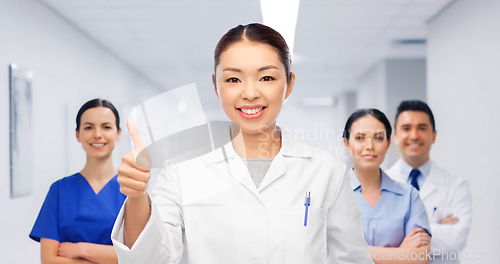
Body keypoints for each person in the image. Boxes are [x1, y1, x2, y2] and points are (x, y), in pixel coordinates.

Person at [111, 23, 373, 263]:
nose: (249, 93)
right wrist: (137, 197)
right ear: (216, 86)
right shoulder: (180, 170)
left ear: (289, 84)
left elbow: (352, 260)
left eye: (267, 78)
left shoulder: (326, 171)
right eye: (233, 79)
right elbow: (148, 260)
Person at [30, 99, 125, 264]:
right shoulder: (59, 190)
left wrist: (80, 249)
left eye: (106, 127)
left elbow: (138, 257)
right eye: (88, 127)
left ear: (118, 133)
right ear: (77, 135)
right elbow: (48, 260)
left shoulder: (131, 191)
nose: (97, 134)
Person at [386, 100, 472, 263]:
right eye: (406, 128)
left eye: (422, 128)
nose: (414, 135)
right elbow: (373, 239)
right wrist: (437, 228)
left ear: (434, 135)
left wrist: (397, 230)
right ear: (395, 136)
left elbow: (458, 238)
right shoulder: (379, 183)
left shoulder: (456, 185)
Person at [343, 108, 431, 264]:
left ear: (388, 143)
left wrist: (354, 251)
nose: (369, 146)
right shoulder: (333, 194)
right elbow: (328, 250)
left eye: (378, 138)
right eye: (360, 138)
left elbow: (419, 257)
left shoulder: (409, 196)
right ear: (347, 143)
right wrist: (401, 254)